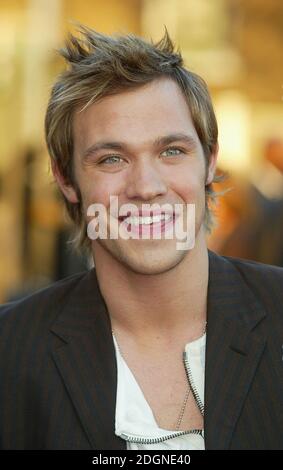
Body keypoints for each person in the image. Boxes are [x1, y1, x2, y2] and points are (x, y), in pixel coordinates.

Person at [0, 25, 282, 451]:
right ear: (67, 179)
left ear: (210, 161)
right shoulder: (10, 352)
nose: (146, 186)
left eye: (172, 151)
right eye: (112, 158)